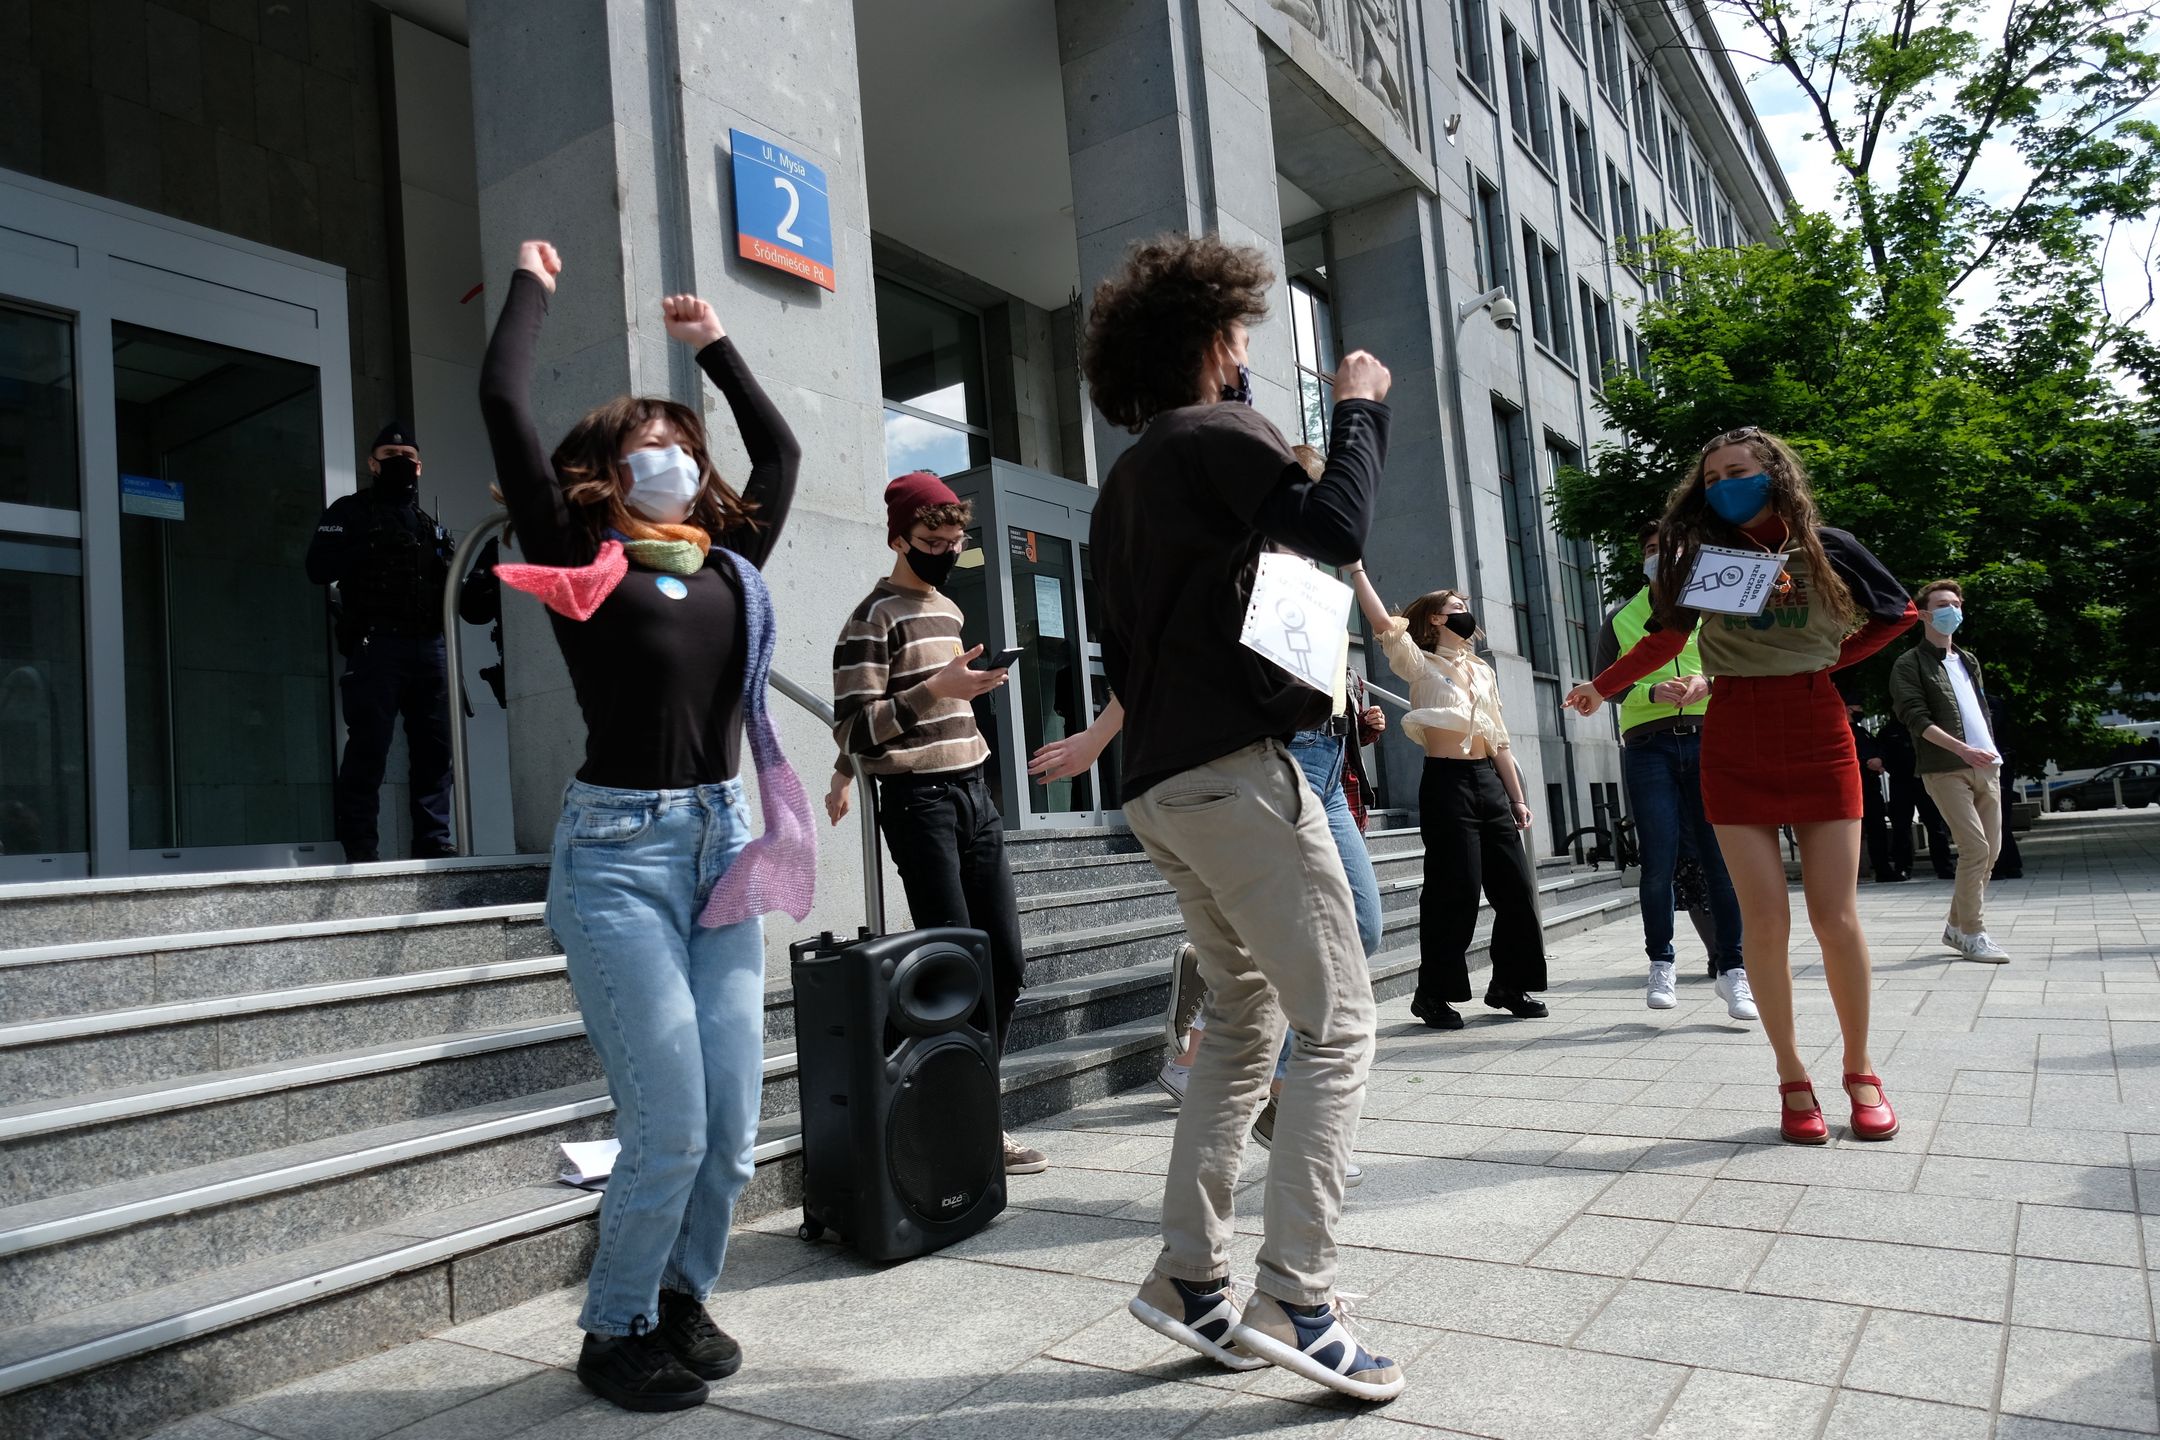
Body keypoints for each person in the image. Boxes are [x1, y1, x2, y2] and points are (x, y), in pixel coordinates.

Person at [478, 240, 812, 1413]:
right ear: (607, 476)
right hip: (619, 857)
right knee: (667, 1114)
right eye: (644, 449)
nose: (669, 460)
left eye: (679, 446)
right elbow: (502, 401)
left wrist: (716, 341)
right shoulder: (582, 566)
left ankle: (681, 1296)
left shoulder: (731, 566)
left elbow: (779, 449)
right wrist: (531, 282)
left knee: (730, 1123)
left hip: (724, 847)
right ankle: (613, 1326)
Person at [1085, 232, 1403, 1400]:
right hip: (1237, 775)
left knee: (1240, 1022)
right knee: (1339, 1026)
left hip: (1165, 787)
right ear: (1215, 342)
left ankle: (1188, 1280)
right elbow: (1335, 533)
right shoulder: (1212, 435)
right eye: (1240, 339)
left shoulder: (1128, 480)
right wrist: (1362, 410)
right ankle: (1300, 1296)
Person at [1566, 425, 1917, 1146]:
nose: (1726, 483)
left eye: (1739, 469)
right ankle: (1793, 1077)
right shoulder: (1703, 558)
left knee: (1835, 918)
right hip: (1733, 731)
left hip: (1818, 728)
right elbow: (1664, 640)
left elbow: (1899, 613)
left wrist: (1828, 658)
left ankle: (1860, 1071)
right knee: (1765, 923)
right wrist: (1601, 689)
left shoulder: (1828, 546)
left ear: (1774, 472)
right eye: (1714, 475)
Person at [825, 470, 1047, 1178]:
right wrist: (937, 689)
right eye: (932, 540)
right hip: (918, 801)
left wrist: (969, 688)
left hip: (974, 791)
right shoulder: (871, 619)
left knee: (1004, 963)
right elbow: (855, 729)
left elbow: (935, 705)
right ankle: (953, 1118)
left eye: (954, 541)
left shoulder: (948, 612)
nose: (946, 551)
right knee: (952, 967)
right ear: (899, 538)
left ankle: (973, 1106)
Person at [1351, 569, 1547, 1031]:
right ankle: (1433, 994)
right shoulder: (1419, 662)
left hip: (1489, 783)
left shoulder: (1482, 671)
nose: (1466, 614)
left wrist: (1516, 798)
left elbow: (1499, 740)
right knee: (1454, 891)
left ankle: (1509, 986)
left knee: (1516, 890)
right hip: (1447, 782)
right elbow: (1383, 624)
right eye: (1457, 608)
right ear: (1437, 618)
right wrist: (1356, 571)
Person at [1596, 521, 1753, 1018]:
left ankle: (1733, 970)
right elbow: (1607, 684)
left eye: (1669, 549)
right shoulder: (1621, 617)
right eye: (1649, 550)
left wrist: (1708, 682)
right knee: (1658, 859)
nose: (1658, 556)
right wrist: (1647, 691)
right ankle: (1660, 962)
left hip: (1711, 740)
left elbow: (1743, 666)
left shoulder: (1715, 610)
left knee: (1719, 858)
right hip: (1649, 746)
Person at [306, 419, 457, 861]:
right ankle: (360, 850)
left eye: (408, 458)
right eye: (391, 458)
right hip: (376, 646)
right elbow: (317, 569)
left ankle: (433, 844)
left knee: (436, 753)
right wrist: (369, 547)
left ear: (420, 467)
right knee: (369, 749)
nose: (400, 463)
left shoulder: (431, 525)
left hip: (429, 648)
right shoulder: (350, 511)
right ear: (372, 464)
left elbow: (452, 594)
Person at [1889, 580, 2011, 963]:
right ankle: (1974, 933)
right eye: (1942, 605)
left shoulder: (1968, 660)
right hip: (1945, 768)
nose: (1951, 611)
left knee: (1991, 852)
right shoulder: (1909, 663)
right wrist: (1961, 749)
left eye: (1956, 604)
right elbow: (1914, 717)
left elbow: (1978, 711)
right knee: (1975, 848)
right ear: (1923, 614)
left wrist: (1985, 752)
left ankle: (1956, 927)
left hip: (1986, 766)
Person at [1878, 718, 1957, 879]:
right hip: (1900, 782)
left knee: (1936, 825)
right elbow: (1883, 756)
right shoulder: (1888, 732)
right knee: (1901, 827)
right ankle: (1902, 867)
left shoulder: (1924, 727)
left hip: (1925, 780)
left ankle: (1944, 866)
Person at [1848, 701, 1900, 883]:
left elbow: (1878, 749)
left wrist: (1880, 759)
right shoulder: (1846, 732)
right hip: (1856, 788)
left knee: (1877, 829)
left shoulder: (1863, 732)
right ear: (1848, 709)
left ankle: (1883, 869)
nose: (1861, 710)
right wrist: (1866, 762)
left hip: (1871, 787)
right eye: (1858, 707)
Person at [1989, 690, 2025, 880]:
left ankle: (2003, 864)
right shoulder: (1995, 702)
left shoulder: (1992, 704)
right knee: (1998, 817)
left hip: (1998, 763)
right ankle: (2009, 864)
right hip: (1999, 761)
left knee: (1996, 816)